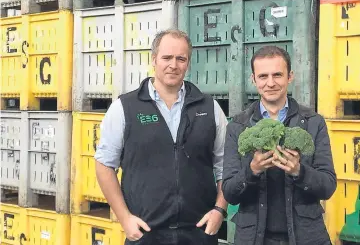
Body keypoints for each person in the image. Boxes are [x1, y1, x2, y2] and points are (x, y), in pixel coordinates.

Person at [94, 29, 229, 245]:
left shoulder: (210, 108)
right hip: (146, 233)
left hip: (199, 233)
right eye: (167, 57)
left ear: (188, 62)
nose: (173, 65)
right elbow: (104, 165)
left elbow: (226, 166)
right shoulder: (124, 107)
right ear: (154, 58)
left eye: (180, 59)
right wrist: (124, 218)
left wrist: (219, 210)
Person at [222, 46, 337, 245]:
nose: (270, 83)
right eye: (263, 76)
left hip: (307, 237)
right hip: (253, 238)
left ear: (289, 76)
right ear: (253, 79)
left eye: (277, 75)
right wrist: (252, 171)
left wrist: (299, 172)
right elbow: (230, 192)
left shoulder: (313, 122)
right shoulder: (238, 126)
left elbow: (328, 186)